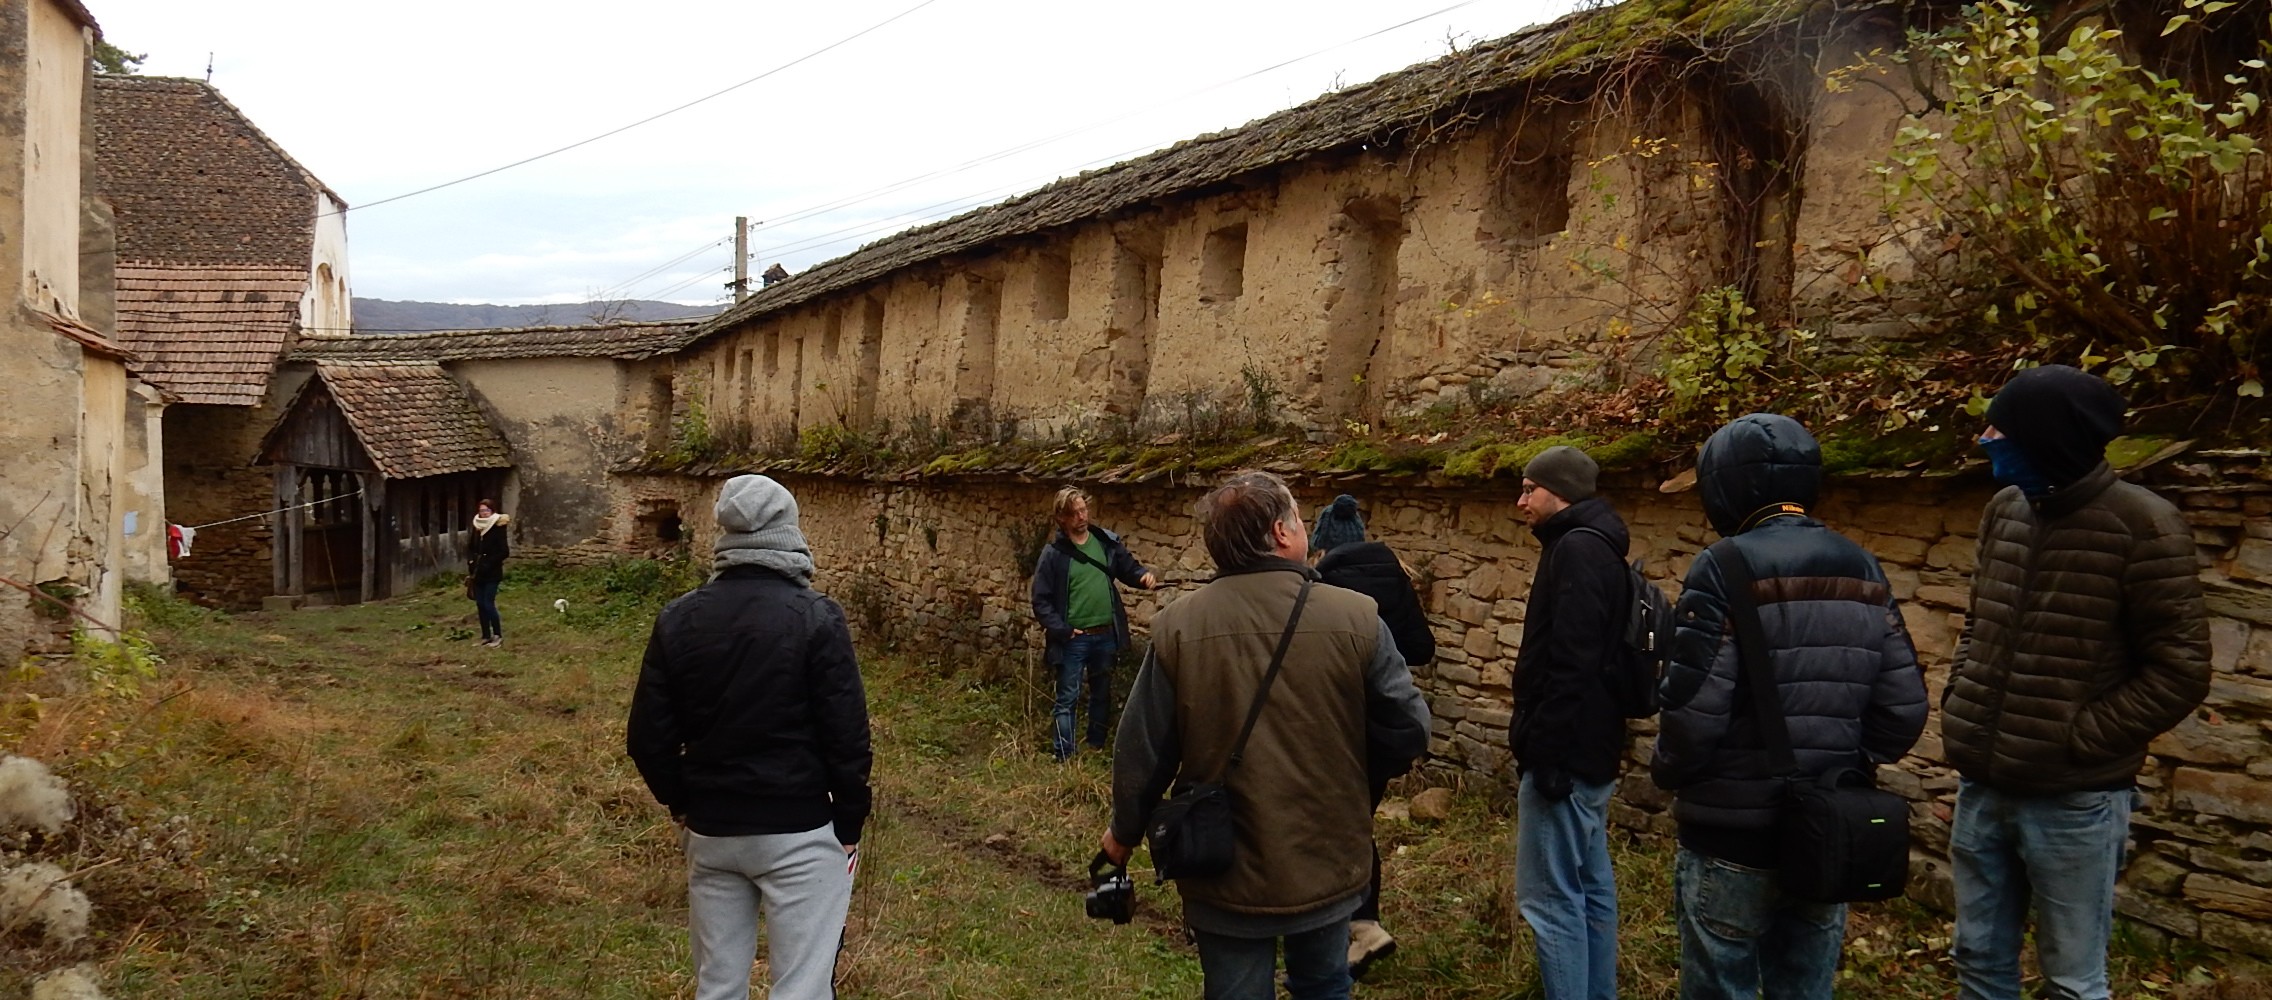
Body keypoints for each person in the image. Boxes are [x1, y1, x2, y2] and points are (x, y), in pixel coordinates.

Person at [1102, 470, 1431, 1000]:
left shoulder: (1178, 626)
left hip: (1222, 862)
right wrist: (1350, 770)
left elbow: (1143, 749)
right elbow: (1411, 728)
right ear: (1281, 532)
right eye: (1299, 519)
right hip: (1327, 857)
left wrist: (1123, 833)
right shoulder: (1357, 617)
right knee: (1325, 987)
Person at [1941, 365, 2209, 1000]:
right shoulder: (2006, 509)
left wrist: (2076, 739)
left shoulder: (2144, 524)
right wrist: (1961, 701)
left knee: (2072, 978)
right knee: (1977, 957)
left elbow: (2180, 669)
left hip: (2074, 802)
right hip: (1983, 782)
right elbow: (1980, 621)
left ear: (2047, 437)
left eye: (2000, 429)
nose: (1986, 440)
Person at [1651, 414, 1928, 1000]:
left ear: (1723, 485)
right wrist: (1843, 765)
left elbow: (1693, 714)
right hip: (1827, 825)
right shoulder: (1862, 566)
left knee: (1721, 985)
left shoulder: (1723, 565)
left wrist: (1669, 772)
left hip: (1732, 832)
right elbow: (1903, 711)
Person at [627, 474, 873, 1000]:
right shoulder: (816, 617)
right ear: (789, 530)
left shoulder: (678, 619)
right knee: (801, 988)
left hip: (713, 829)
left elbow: (648, 738)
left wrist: (684, 803)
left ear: (726, 534)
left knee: (717, 986)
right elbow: (847, 735)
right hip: (799, 828)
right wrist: (849, 823)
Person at [1505, 446, 1630, 1000]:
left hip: (1568, 754)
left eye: (1529, 489)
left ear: (1560, 492)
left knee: (1549, 898)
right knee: (1589, 884)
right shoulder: (1598, 544)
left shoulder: (1576, 549)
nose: (1521, 501)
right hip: (1593, 746)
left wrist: (1546, 752)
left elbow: (1572, 662)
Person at [1310, 493, 1435, 976]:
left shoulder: (1325, 585)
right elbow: (1421, 647)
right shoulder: (1394, 575)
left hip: (1338, 725)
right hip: (1385, 730)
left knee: (1331, 827)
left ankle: (1348, 927)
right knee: (1357, 822)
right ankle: (1362, 927)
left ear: (1322, 546)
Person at [1030, 486, 1157, 761]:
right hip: (1073, 639)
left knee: (1102, 693)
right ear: (1061, 518)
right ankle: (1064, 755)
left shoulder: (1105, 542)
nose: (1081, 516)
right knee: (1068, 697)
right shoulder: (1054, 554)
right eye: (1074, 513)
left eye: (1083, 510)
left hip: (1105, 635)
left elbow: (1128, 568)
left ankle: (1095, 746)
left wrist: (1142, 577)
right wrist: (1062, 630)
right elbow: (1041, 600)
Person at [468, 499, 510, 647]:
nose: (484, 513)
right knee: (480, 604)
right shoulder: (476, 526)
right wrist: (471, 562)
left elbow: (504, 551)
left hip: (492, 572)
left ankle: (497, 635)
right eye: (481, 510)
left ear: (492, 511)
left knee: (488, 603)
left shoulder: (498, 527)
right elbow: (471, 547)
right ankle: (485, 635)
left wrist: (488, 563)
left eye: (487, 510)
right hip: (477, 573)